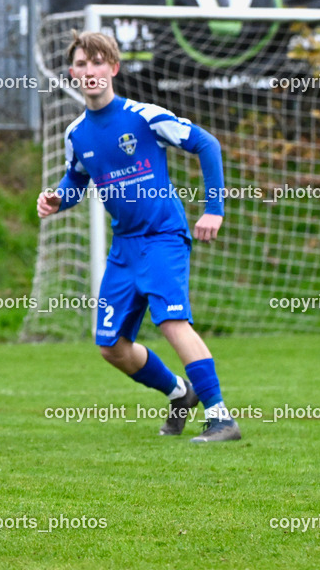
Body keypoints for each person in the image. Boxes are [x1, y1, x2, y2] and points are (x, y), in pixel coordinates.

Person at [36, 31, 241, 442]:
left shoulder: (144, 116)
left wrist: (214, 209)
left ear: (113, 68)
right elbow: (77, 177)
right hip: (124, 246)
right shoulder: (76, 133)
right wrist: (60, 197)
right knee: (112, 347)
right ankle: (180, 393)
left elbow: (207, 144)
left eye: (98, 62)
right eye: (81, 64)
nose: (89, 71)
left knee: (171, 320)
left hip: (163, 235)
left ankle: (221, 418)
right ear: (72, 73)